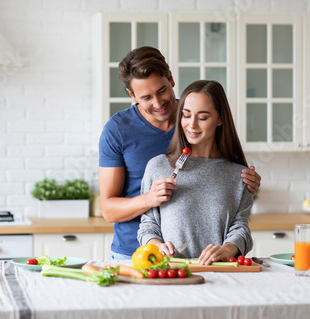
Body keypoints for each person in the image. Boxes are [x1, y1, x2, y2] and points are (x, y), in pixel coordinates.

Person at [98, 46, 261, 260]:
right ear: (132, 95)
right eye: (146, 97)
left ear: (171, 79)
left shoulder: (195, 117)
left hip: (207, 260)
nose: (158, 103)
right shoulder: (118, 130)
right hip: (134, 253)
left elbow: (222, 171)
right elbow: (109, 210)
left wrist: (248, 183)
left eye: (162, 90)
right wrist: (149, 199)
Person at [137, 80, 253, 265]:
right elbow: (148, 224)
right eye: (186, 115)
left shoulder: (240, 175)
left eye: (203, 117)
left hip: (222, 274)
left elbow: (241, 228)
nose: (192, 125)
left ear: (220, 119)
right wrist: (157, 246)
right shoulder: (157, 167)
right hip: (172, 274)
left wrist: (226, 250)